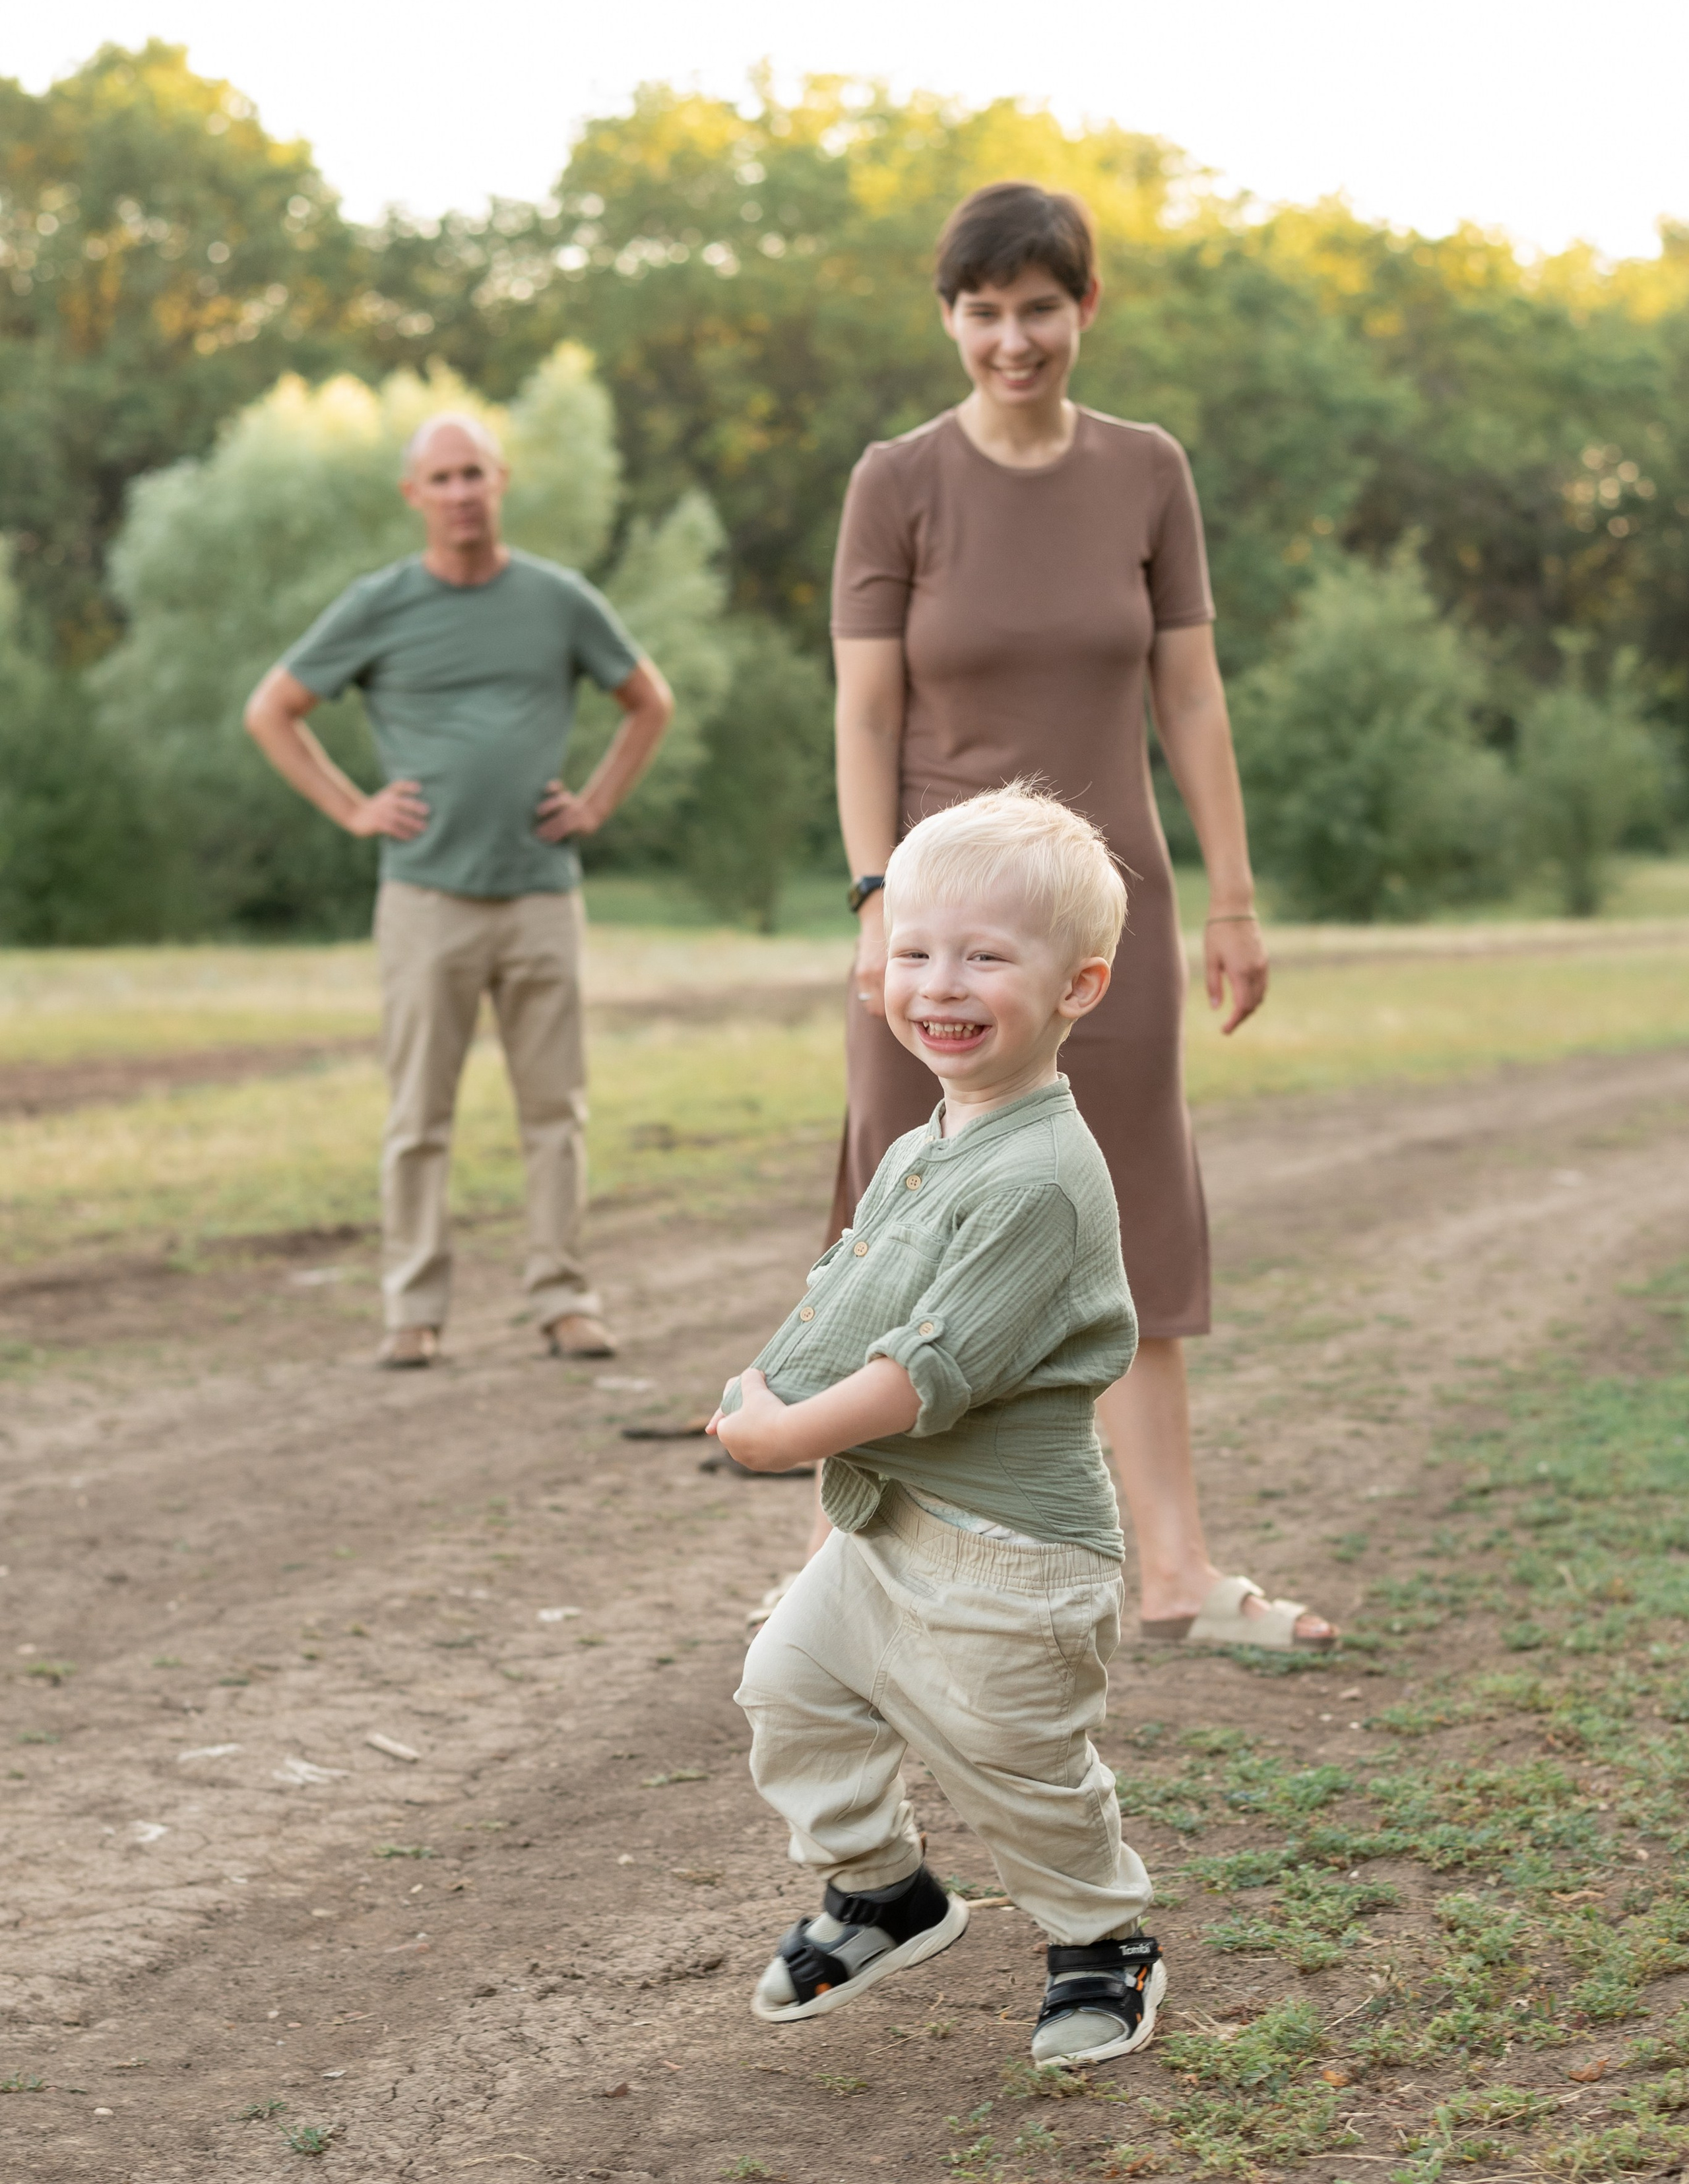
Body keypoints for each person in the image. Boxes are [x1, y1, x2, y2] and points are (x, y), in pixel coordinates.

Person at [825, 180, 1333, 1650]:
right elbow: (864, 711)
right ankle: (855, 1566)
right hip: (935, 922)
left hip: (1107, 912)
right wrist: (874, 904)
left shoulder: (1145, 470)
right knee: (901, 1217)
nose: (1010, 339)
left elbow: (1188, 690)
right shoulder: (895, 480)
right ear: (948, 317)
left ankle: (1170, 1571)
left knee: (1131, 1215)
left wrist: (1231, 895)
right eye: (980, 311)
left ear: (1082, 308)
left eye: (1037, 308)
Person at [718, 788, 1164, 2071]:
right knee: (789, 1689)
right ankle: (882, 1892)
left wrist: (782, 1436)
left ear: (1076, 986)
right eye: (914, 951)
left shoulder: (1036, 1175)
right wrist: (771, 1375)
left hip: (1008, 1556)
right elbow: (856, 1287)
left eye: (984, 955)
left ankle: (1100, 1940)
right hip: (888, 1533)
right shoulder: (937, 1136)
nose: (939, 983)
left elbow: (927, 1373)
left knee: (1019, 1768)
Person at [244, 410, 673, 1368]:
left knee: (554, 1112)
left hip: (539, 897)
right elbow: (271, 710)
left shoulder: (558, 600)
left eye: (474, 473)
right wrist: (353, 807)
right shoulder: (378, 603)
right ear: (415, 496)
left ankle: (565, 1300)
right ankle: (413, 1312)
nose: (460, 493)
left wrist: (598, 801)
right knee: (417, 1118)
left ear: (501, 481)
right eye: (440, 479)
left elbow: (650, 701)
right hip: (425, 899)